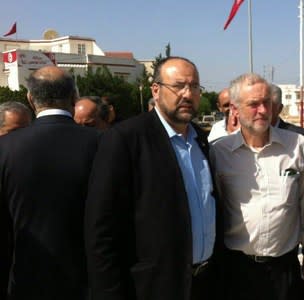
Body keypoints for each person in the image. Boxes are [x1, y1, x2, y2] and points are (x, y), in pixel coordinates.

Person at [85, 56, 222, 300]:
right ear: (156, 90)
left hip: (204, 283)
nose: (188, 95)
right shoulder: (126, 139)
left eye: (194, 87)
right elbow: (102, 229)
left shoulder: (201, 140)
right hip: (152, 287)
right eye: (179, 86)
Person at [210, 73, 304, 300]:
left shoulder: (295, 145)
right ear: (235, 109)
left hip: (284, 269)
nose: (262, 110)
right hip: (237, 271)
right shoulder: (219, 152)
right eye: (253, 104)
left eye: (266, 102)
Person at [0, 66, 98, 299]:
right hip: (90, 281)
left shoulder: (5, 149)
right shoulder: (104, 143)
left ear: (30, 98)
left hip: (25, 280)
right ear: (75, 97)